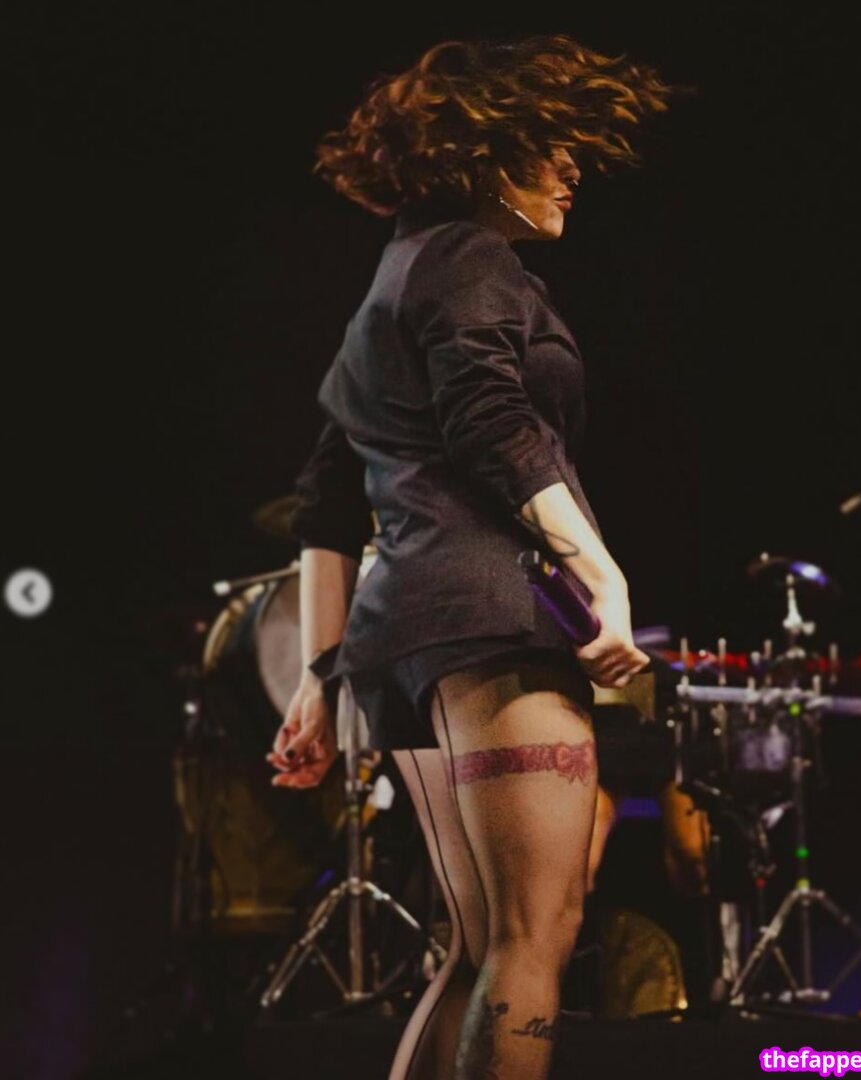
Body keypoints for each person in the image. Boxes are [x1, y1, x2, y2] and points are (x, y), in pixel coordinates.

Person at [266, 34, 673, 1079]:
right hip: (489, 619)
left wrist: (320, 674)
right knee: (536, 936)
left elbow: (324, 497)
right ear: (481, 157)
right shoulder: (472, 261)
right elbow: (493, 423)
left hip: (402, 638)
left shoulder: (394, 280)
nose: (572, 166)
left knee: (480, 947)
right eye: (548, 146)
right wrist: (601, 571)